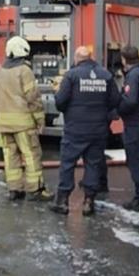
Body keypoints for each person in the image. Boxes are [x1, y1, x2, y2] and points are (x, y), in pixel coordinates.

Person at [51, 46, 119, 216]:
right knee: (93, 164)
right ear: (90, 57)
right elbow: (115, 100)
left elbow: (60, 102)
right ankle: (89, 201)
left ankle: (63, 201)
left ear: (76, 58)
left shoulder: (72, 75)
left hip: (75, 129)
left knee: (67, 164)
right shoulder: (105, 75)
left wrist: (57, 93)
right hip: (98, 129)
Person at [0, 37, 53, 202]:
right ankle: (35, 189)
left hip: (3, 124)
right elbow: (33, 97)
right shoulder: (24, 71)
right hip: (23, 123)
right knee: (31, 155)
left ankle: (14, 189)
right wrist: (39, 120)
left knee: (10, 157)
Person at [117, 45, 139, 213]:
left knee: (135, 163)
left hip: (135, 125)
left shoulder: (133, 76)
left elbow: (130, 101)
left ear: (124, 60)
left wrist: (117, 109)